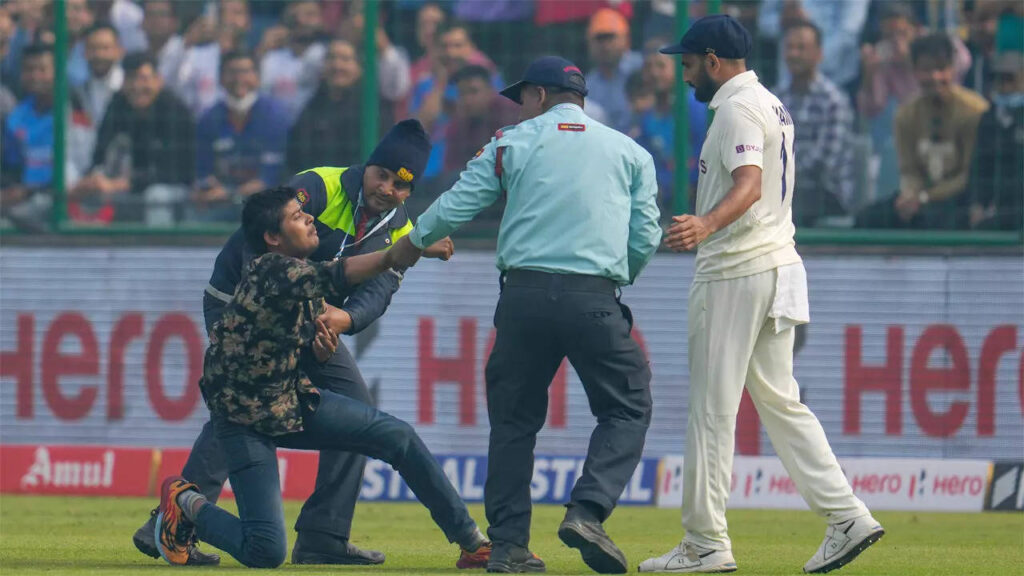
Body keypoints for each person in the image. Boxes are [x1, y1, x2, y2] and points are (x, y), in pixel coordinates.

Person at [132, 119, 454, 567]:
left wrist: (340, 320)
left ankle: (324, 533)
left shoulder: (402, 225)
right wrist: (315, 317)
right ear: (368, 166)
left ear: (410, 190)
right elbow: (261, 247)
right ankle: (170, 523)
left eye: (402, 186)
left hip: (309, 320)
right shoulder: (317, 186)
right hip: (238, 303)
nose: (387, 189)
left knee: (355, 404)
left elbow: (379, 290)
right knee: (241, 403)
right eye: (382, 175)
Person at [388, 56, 661, 574]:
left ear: (538, 95)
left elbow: (456, 204)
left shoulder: (511, 142)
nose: (518, 107)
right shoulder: (630, 152)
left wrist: (412, 242)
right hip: (594, 296)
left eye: (522, 98)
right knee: (627, 408)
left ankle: (509, 546)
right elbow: (646, 234)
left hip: (523, 297)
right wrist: (611, 278)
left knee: (513, 424)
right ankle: (588, 511)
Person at [639, 15, 884, 574]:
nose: (683, 76)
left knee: (711, 410)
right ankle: (846, 516)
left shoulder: (735, 108)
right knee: (780, 402)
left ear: (714, 62)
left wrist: (704, 225)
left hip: (735, 272)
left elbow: (748, 184)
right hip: (778, 266)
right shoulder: (770, 102)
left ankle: (705, 544)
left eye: (688, 63)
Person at [856, 33, 989, 229]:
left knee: (935, 221)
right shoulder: (906, 114)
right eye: (926, 70)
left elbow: (966, 175)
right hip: (919, 196)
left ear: (952, 70)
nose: (935, 77)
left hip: (959, 199)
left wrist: (925, 197)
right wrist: (910, 195)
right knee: (867, 219)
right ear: (914, 70)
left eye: (941, 69)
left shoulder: (975, 110)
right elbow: (909, 170)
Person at [69, 52, 195, 226]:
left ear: (158, 81)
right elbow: (100, 153)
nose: (136, 86)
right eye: (130, 79)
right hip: (123, 186)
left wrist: (121, 184)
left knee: (156, 196)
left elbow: (175, 172)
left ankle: (157, 249)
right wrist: (94, 178)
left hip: (172, 189)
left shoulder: (176, 111)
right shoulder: (117, 105)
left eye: (144, 79)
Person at [192, 51, 288, 222]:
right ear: (221, 78)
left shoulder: (274, 116)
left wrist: (230, 193)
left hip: (265, 205)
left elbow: (270, 178)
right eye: (232, 72)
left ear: (257, 77)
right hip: (218, 202)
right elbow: (203, 169)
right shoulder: (209, 118)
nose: (238, 78)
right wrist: (208, 187)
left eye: (245, 72)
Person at [774, 20, 854, 226]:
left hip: (826, 194)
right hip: (783, 187)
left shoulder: (833, 101)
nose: (793, 54)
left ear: (819, 54)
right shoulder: (775, 98)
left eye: (801, 48)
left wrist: (778, 172)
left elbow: (823, 164)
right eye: (789, 48)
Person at [287, 38, 394, 174]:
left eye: (345, 59)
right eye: (331, 58)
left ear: (359, 67)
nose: (337, 65)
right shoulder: (312, 107)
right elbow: (294, 158)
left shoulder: (374, 108)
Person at [968, 51, 1024, 231]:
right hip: (1001, 208)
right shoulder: (989, 118)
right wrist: (978, 203)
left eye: (1011, 80)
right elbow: (981, 165)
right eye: (999, 80)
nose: (1004, 87)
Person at [584, 8, 643, 133]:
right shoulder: (588, 85)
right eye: (599, 39)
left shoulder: (643, 67)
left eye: (610, 38)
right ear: (589, 44)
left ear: (626, 39)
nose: (605, 46)